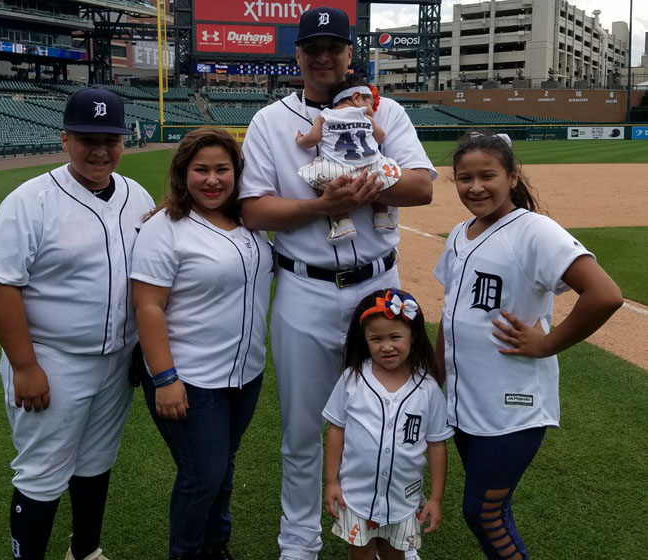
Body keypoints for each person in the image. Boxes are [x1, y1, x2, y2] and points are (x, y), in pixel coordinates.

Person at [239, 7, 436, 560]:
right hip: (304, 289)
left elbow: (421, 186)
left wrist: (370, 190)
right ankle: (298, 543)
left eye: (334, 47)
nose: (324, 57)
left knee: (393, 415)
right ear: (297, 56)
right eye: (313, 48)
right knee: (304, 428)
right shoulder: (270, 123)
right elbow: (254, 210)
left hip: (380, 286)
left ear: (351, 54)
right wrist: (323, 204)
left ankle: (397, 531)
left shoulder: (387, 112)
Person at [0, 87, 154, 560]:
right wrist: (25, 366)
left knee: (96, 463)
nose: (100, 150)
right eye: (86, 138)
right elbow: (0, 285)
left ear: (124, 140)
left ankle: (86, 551)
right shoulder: (30, 200)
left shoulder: (136, 194)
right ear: (65, 139)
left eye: (110, 139)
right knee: (41, 472)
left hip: (118, 360)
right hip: (52, 360)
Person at [434, 131, 623, 559]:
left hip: (512, 405)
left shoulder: (534, 231)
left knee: (483, 514)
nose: (475, 187)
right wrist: (434, 377)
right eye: (464, 178)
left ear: (512, 176)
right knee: (494, 510)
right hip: (467, 402)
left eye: (488, 175)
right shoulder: (460, 233)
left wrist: (547, 344)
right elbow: (450, 317)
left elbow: (605, 294)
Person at [130, 127, 273, 560]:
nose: (213, 180)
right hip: (188, 377)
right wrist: (166, 377)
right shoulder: (166, 227)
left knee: (222, 469)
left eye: (222, 169)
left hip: (245, 374)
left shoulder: (249, 224)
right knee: (202, 475)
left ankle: (215, 544)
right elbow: (148, 307)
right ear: (182, 173)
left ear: (237, 173)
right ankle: (187, 552)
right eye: (201, 170)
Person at [323, 289, 452, 560]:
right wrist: (331, 481)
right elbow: (337, 430)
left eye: (395, 336)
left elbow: (436, 445)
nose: (386, 346)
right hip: (356, 496)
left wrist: (436, 498)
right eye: (376, 338)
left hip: (402, 500)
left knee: (395, 554)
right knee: (360, 554)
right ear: (365, 340)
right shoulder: (352, 378)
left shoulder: (428, 389)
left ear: (413, 336)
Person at [296, 75, 400, 244]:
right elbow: (381, 138)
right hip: (370, 166)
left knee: (317, 179)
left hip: (338, 170)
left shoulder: (325, 115)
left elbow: (313, 139)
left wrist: (300, 140)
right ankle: (382, 216)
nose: (373, 109)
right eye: (371, 103)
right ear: (357, 97)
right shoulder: (366, 117)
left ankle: (343, 221)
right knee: (380, 181)